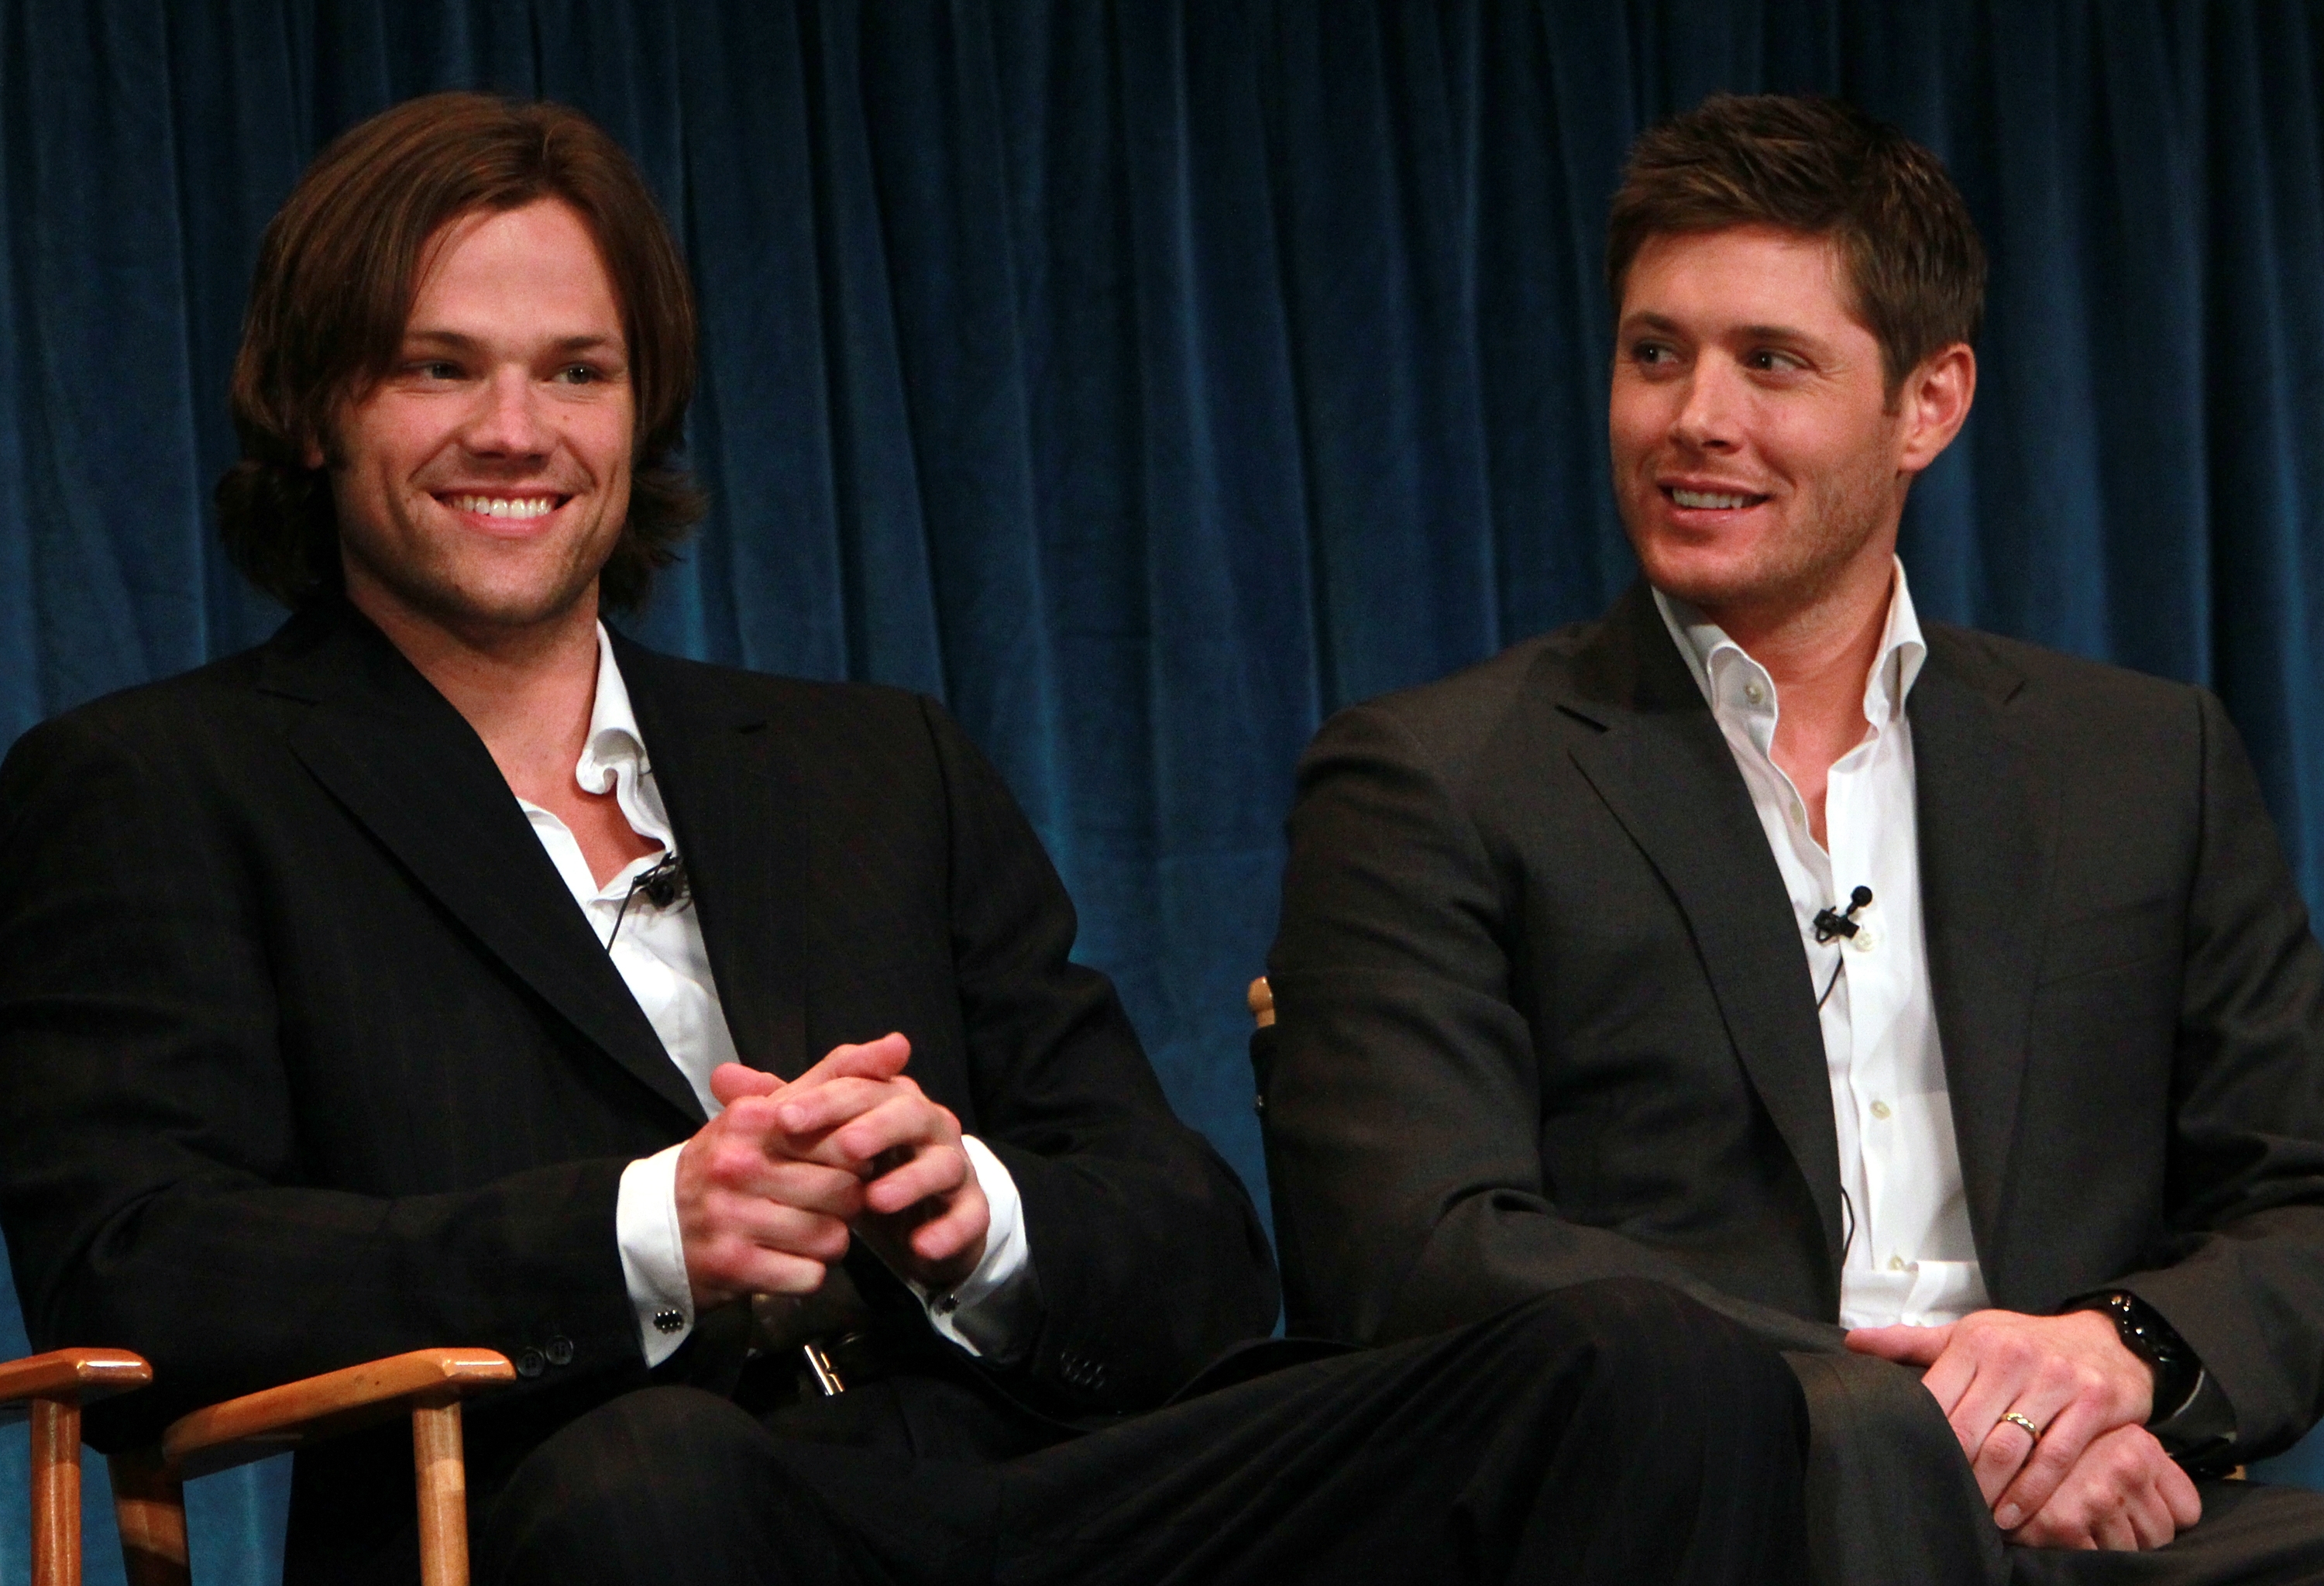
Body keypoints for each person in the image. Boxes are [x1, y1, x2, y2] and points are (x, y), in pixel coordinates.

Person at [0, 91, 1811, 1586]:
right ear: (318, 408)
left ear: (642, 408)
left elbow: (1192, 1247)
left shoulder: (875, 762)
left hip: (1027, 1483)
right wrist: (644, 1234)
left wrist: (977, 1217)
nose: (515, 432)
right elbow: (145, 1265)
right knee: (658, 1485)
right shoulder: (162, 781)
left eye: (577, 372)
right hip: (595, 1502)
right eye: (437, 369)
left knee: (1650, 1370)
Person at [1263, 91, 2324, 1585]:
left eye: (1770, 361)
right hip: (1720, 1511)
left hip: (2103, 1505)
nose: (1694, 417)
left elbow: (2301, 1199)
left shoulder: (2144, 763)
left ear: (1929, 404)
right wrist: (1925, 1422)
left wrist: (2117, 1356)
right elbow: (1419, 1248)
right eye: (1655, 354)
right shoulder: (1434, 780)